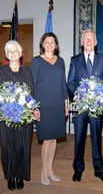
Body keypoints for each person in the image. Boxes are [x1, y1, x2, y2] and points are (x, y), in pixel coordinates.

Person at [67, 29, 103, 182]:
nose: (89, 42)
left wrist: (101, 96)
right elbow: (70, 82)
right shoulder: (75, 60)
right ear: (82, 42)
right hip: (80, 107)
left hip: (97, 107)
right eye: (86, 39)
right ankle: (78, 169)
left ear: (96, 42)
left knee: (96, 139)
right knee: (79, 139)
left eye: (91, 39)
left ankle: (99, 169)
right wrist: (75, 95)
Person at [30, 32, 68, 186]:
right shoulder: (36, 61)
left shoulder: (61, 61)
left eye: (52, 42)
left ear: (56, 45)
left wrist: (66, 104)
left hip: (58, 103)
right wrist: (33, 107)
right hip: (43, 105)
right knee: (47, 139)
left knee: (54, 140)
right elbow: (31, 86)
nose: (50, 44)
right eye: (47, 42)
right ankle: (43, 171)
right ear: (42, 44)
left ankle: (50, 169)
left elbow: (63, 84)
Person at [0, 41, 34, 190]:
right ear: (6, 55)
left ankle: (21, 175)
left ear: (21, 54)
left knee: (22, 146)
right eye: (9, 51)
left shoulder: (27, 70)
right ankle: (10, 176)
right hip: (7, 115)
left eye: (15, 51)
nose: (12, 53)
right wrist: (6, 107)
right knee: (8, 146)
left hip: (24, 115)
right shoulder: (1, 70)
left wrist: (29, 107)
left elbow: (31, 90)